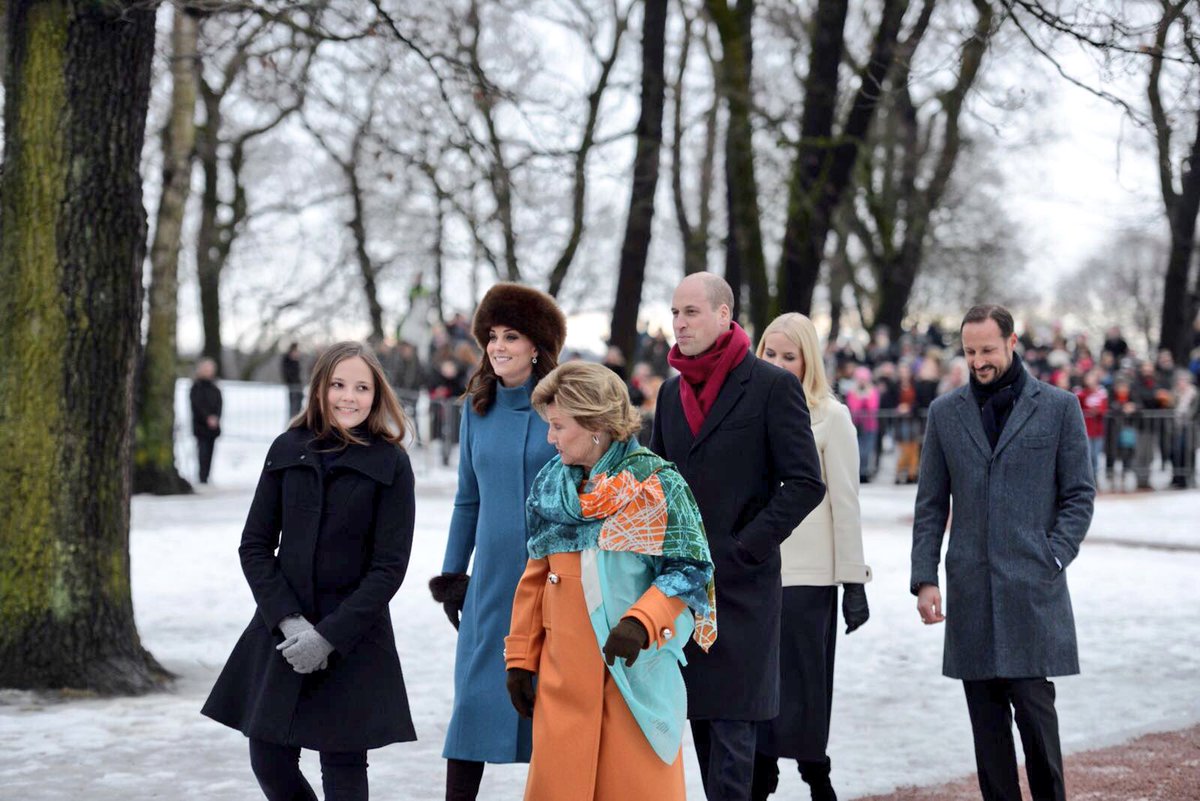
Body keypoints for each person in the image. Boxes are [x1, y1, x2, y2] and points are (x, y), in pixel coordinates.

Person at [201, 342, 417, 801]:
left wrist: (329, 637)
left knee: (342, 769)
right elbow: (255, 545)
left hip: (352, 638)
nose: (348, 397)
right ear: (319, 389)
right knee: (269, 758)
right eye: (338, 385)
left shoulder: (391, 463)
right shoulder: (288, 449)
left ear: (377, 394)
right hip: (284, 630)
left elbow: (389, 567)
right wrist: (289, 621)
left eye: (361, 387)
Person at [504, 362, 716, 800]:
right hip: (563, 684)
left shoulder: (658, 485)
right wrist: (521, 659)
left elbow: (689, 570)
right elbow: (535, 577)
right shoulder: (551, 486)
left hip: (632, 677)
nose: (550, 438)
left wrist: (641, 622)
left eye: (559, 426)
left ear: (596, 424)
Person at [650, 272, 825, 801]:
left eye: (692, 312)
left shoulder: (772, 386)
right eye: (676, 313)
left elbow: (805, 483)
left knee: (734, 738)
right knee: (703, 731)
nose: (680, 323)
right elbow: (659, 482)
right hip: (683, 591)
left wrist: (747, 544)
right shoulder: (668, 392)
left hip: (744, 590)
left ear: (725, 315)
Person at [911, 305, 1095, 801]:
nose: (978, 361)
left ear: (1012, 343)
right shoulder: (945, 413)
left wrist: (1052, 556)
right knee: (988, 741)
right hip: (971, 594)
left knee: (1038, 728)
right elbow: (930, 504)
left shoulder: (1059, 407)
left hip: (1032, 592)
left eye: (988, 350)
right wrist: (925, 577)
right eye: (970, 352)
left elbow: (1079, 494)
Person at [428, 283, 566, 801]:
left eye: (512, 336)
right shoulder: (476, 407)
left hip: (553, 581)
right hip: (489, 587)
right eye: (492, 336)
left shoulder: (562, 406)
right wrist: (452, 574)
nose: (499, 346)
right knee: (472, 707)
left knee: (552, 713)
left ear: (537, 346)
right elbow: (468, 500)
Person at [752, 313, 872, 801]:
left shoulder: (831, 416)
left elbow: (845, 502)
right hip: (757, 571)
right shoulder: (748, 410)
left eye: (789, 356)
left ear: (808, 361)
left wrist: (853, 581)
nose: (778, 364)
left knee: (804, 685)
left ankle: (815, 772)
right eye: (770, 354)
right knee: (757, 682)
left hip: (808, 576)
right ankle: (761, 771)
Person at [190, 357, 223, 484]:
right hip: (201, 425)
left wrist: (216, 418)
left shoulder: (215, 388)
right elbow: (197, 405)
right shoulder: (196, 387)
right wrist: (207, 418)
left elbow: (220, 404)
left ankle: (207, 476)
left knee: (210, 452)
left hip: (213, 426)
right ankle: (202, 477)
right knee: (202, 451)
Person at [282, 343, 304, 419]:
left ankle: (297, 419)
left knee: (298, 405)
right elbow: (288, 372)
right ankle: (293, 421)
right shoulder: (288, 360)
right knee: (294, 407)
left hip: (297, 385)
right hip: (293, 385)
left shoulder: (296, 360)